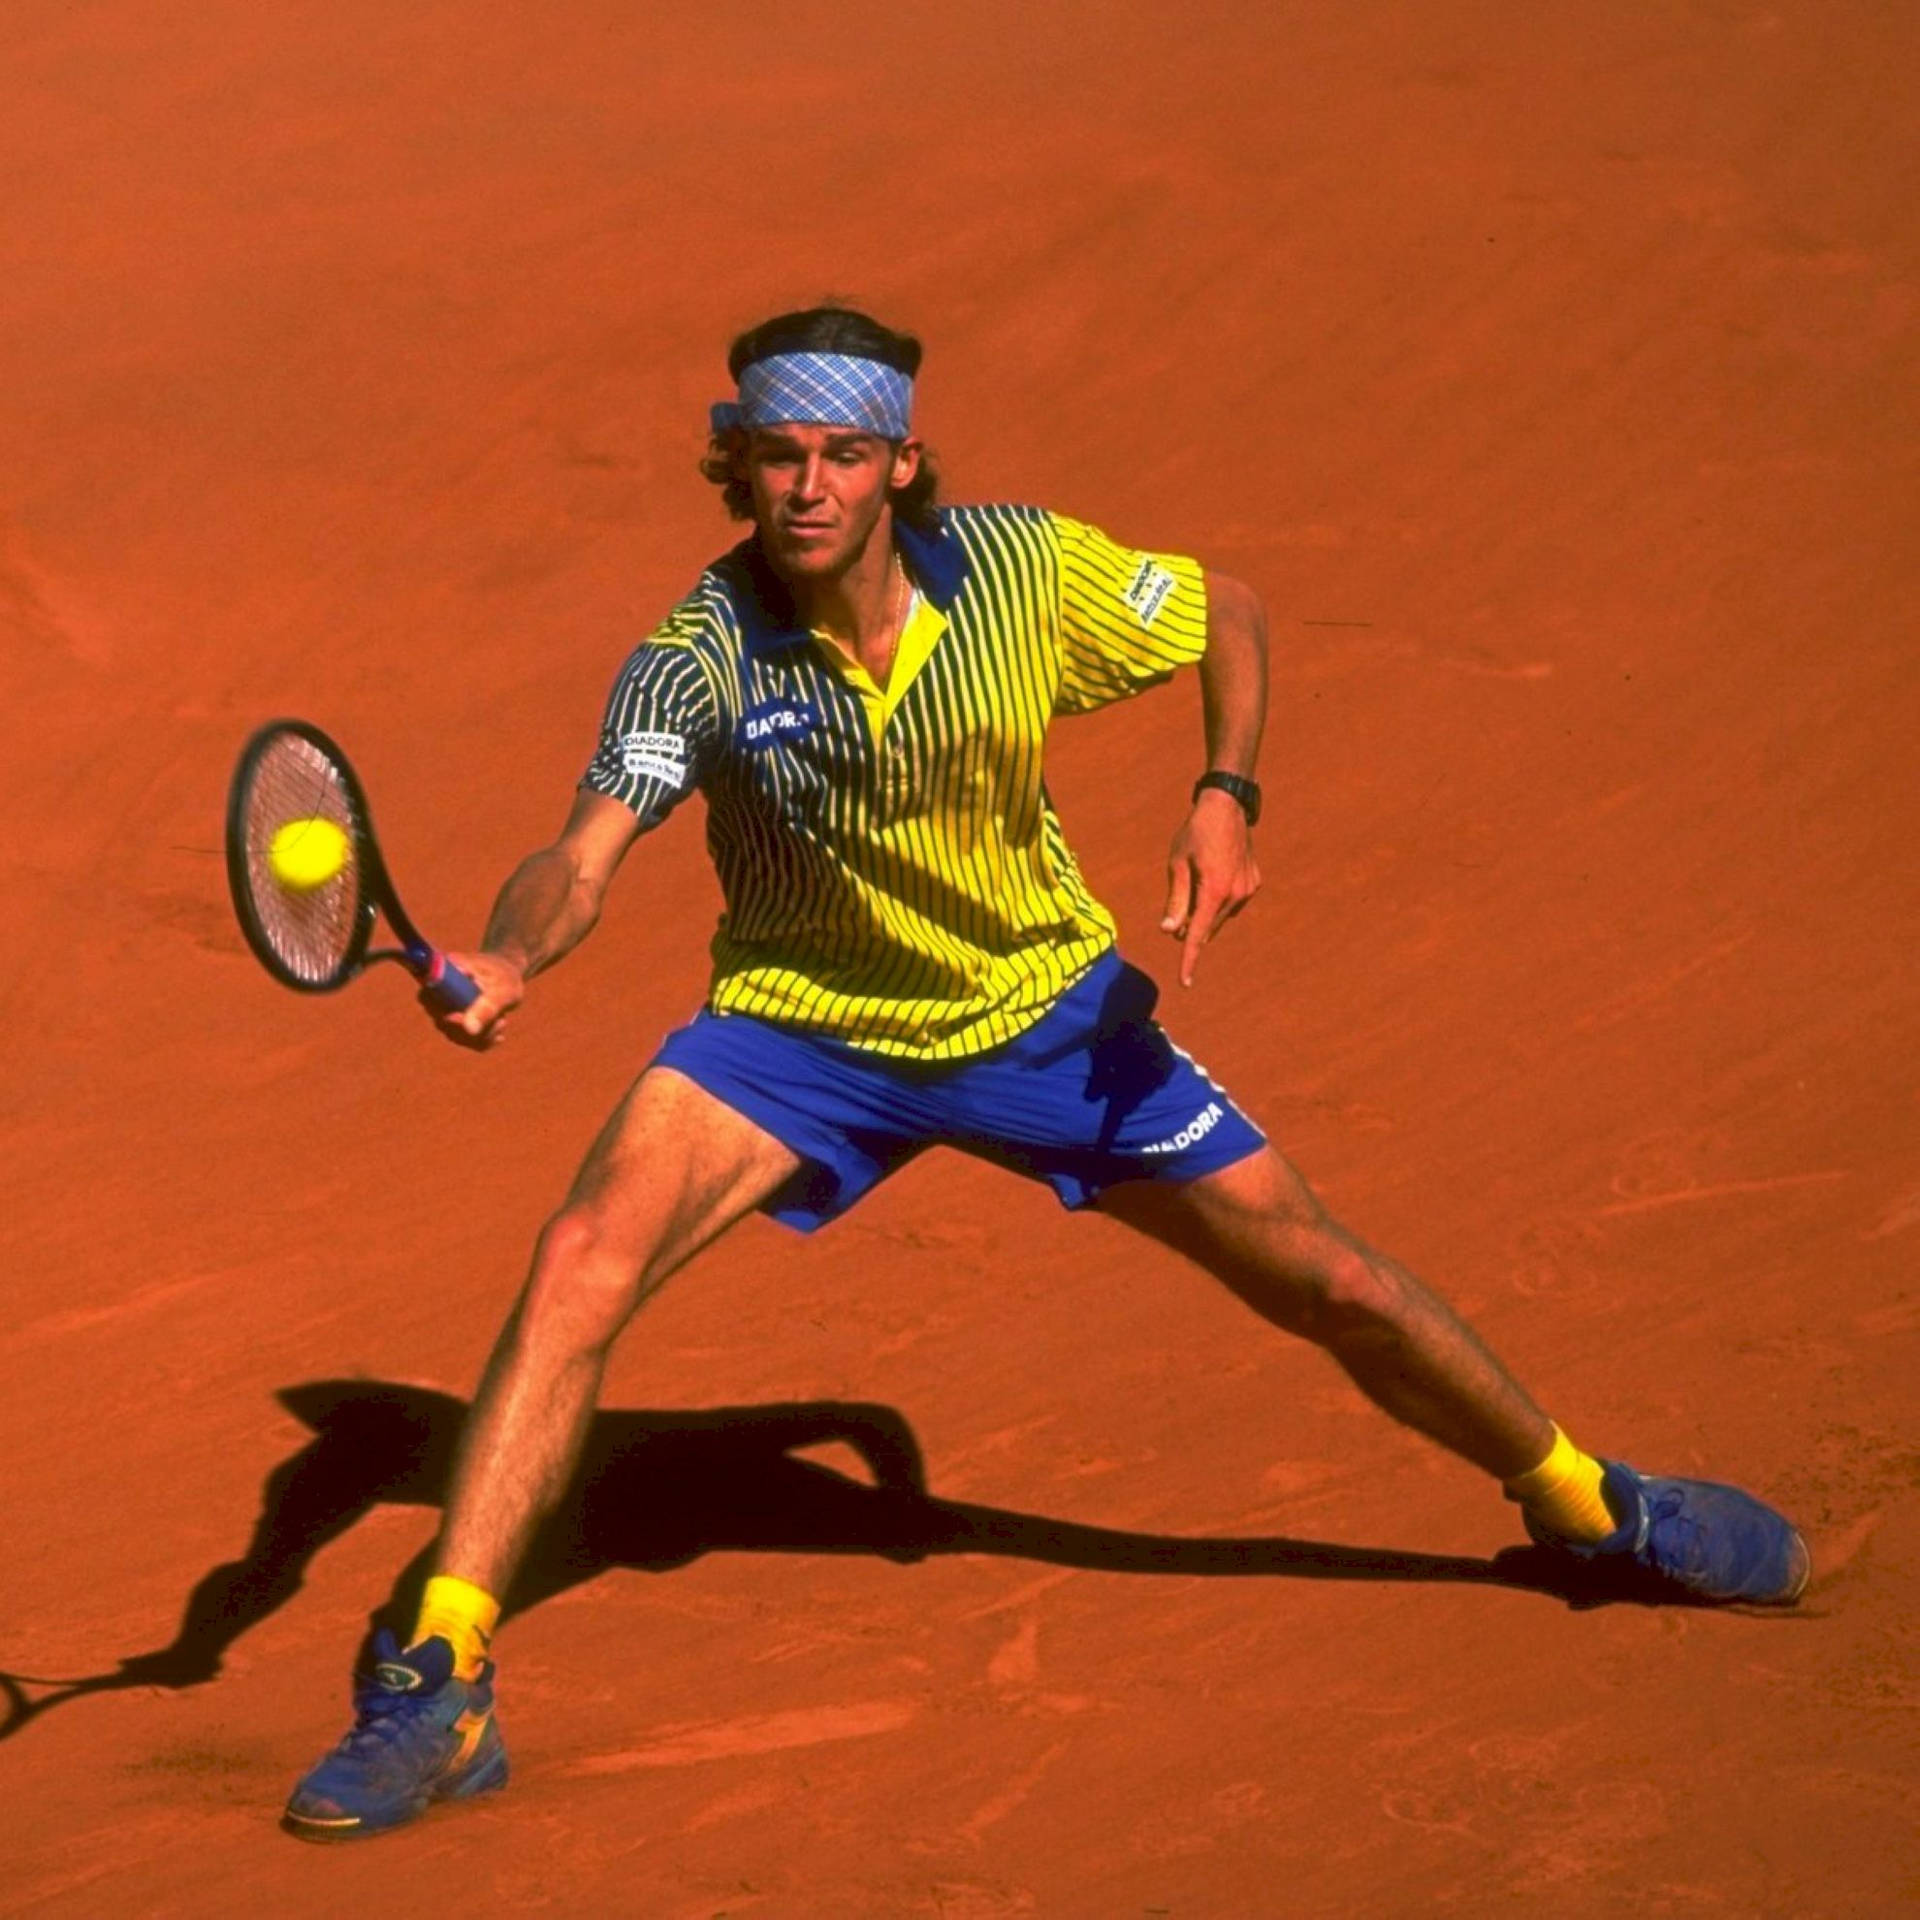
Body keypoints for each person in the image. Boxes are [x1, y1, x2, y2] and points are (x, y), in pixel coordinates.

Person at [283, 305, 1808, 1842]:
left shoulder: (1020, 575)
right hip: (801, 1033)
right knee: (578, 1260)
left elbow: (1229, 607)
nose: (808, 487)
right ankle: (443, 1669)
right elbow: (581, 854)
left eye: (843, 454)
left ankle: (1587, 1507)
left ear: (900, 465)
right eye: (775, 457)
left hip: (1045, 1022)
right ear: (732, 468)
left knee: (1331, 1284)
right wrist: (513, 956)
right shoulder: (697, 659)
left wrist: (1227, 793)